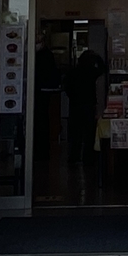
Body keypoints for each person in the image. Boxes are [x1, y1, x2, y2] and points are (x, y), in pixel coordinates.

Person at [64, 45, 106, 164]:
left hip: (75, 105)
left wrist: (73, 97)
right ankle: (88, 158)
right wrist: (98, 58)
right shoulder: (92, 71)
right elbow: (103, 69)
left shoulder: (73, 71)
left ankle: (73, 157)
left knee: (75, 134)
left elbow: (67, 87)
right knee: (89, 133)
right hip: (88, 104)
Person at [33, 31, 60, 160]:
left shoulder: (42, 56)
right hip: (44, 90)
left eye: (38, 41)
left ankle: (41, 149)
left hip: (42, 91)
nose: (36, 44)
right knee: (42, 119)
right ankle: (42, 148)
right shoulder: (45, 55)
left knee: (41, 120)